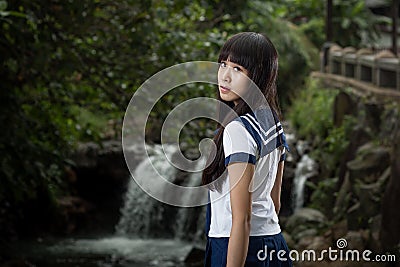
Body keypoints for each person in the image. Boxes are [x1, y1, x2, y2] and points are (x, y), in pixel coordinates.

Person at [202, 32, 292, 267]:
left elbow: (241, 218)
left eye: (238, 69)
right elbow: (275, 202)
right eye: (223, 64)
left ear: (259, 76)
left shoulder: (237, 130)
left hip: (238, 247)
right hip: (273, 243)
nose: (225, 76)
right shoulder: (272, 122)